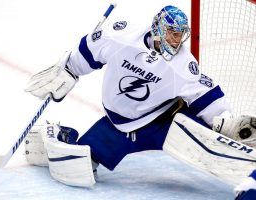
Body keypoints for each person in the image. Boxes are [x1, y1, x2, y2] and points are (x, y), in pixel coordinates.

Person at [25, 5, 256, 187]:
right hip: (119, 126)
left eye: (180, 35)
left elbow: (204, 93)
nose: (176, 41)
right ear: (157, 28)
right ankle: (54, 134)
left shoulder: (182, 65)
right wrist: (70, 68)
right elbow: (90, 50)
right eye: (172, 33)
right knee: (76, 167)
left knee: (213, 151)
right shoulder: (121, 37)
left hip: (165, 121)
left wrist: (224, 121)